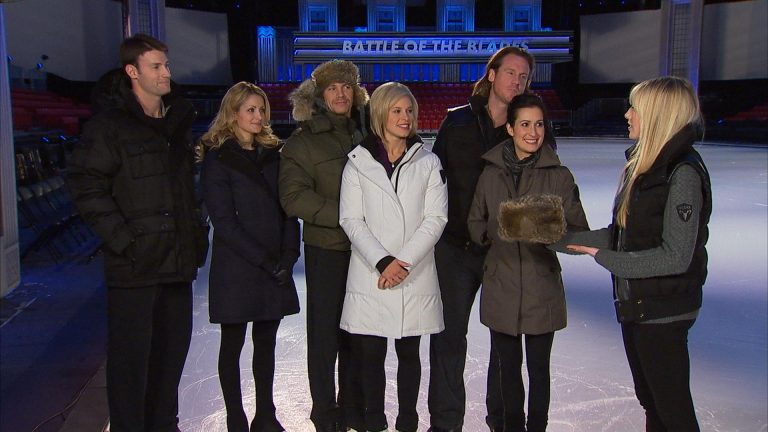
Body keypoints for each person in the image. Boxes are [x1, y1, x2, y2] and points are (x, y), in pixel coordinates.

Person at [67, 33, 209, 431]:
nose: (166, 73)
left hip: (177, 262)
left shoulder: (178, 121)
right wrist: (124, 241)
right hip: (135, 266)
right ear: (133, 72)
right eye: (156, 66)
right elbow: (85, 185)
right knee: (131, 368)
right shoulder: (109, 127)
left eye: (166, 65)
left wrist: (196, 236)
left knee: (170, 360)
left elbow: (185, 191)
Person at [561, 76, 711, 432]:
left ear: (658, 115)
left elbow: (675, 257)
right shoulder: (644, 167)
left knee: (672, 411)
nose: (627, 115)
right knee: (652, 402)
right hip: (639, 306)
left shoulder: (682, 172)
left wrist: (605, 258)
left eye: (635, 108)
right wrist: (556, 239)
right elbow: (623, 237)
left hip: (663, 311)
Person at [428, 46, 535, 432]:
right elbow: (432, 181)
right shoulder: (456, 122)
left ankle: (503, 422)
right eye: (511, 73)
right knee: (448, 340)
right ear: (492, 74)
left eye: (524, 77)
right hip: (455, 250)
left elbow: (542, 185)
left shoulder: (530, 126)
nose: (517, 82)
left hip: (504, 253)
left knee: (506, 344)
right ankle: (444, 423)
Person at [467, 93, 589, 432]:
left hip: (541, 287)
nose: (532, 132)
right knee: (507, 368)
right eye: (524, 124)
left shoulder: (559, 175)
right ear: (509, 128)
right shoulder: (490, 174)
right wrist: (493, 235)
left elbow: (579, 233)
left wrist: (538, 227)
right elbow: (475, 223)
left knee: (538, 370)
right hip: (501, 283)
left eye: (538, 124)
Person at [338, 82, 448, 432]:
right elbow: (351, 220)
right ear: (381, 113)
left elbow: (436, 219)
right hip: (372, 273)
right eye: (397, 110)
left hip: (413, 273)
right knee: (370, 357)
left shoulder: (429, 162)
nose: (406, 117)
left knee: (409, 354)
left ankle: (408, 421)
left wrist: (403, 263)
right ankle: (374, 420)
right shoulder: (357, 162)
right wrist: (384, 262)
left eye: (410, 110)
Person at [200, 82, 300, 432]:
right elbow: (224, 223)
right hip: (238, 267)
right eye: (251, 110)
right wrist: (266, 260)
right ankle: (235, 418)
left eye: (262, 110)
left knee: (266, 345)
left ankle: (266, 415)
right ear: (233, 113)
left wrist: (289, 255)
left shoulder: (275, 153)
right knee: (233, 344)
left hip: (274, 263)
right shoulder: (217, 158)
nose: (259, 116)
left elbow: (289, 208)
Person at [278, 60, 369, 432]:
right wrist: (346, 216)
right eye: (333, 88)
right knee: (325, 336)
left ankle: (352, 409)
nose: (341, 94)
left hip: (365, 254)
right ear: (319, 95)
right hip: (327, 249)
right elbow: (293, 197)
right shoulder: (302, 142)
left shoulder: (367, 134)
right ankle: (325, 413)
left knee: (356, 334)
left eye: (346, 87)